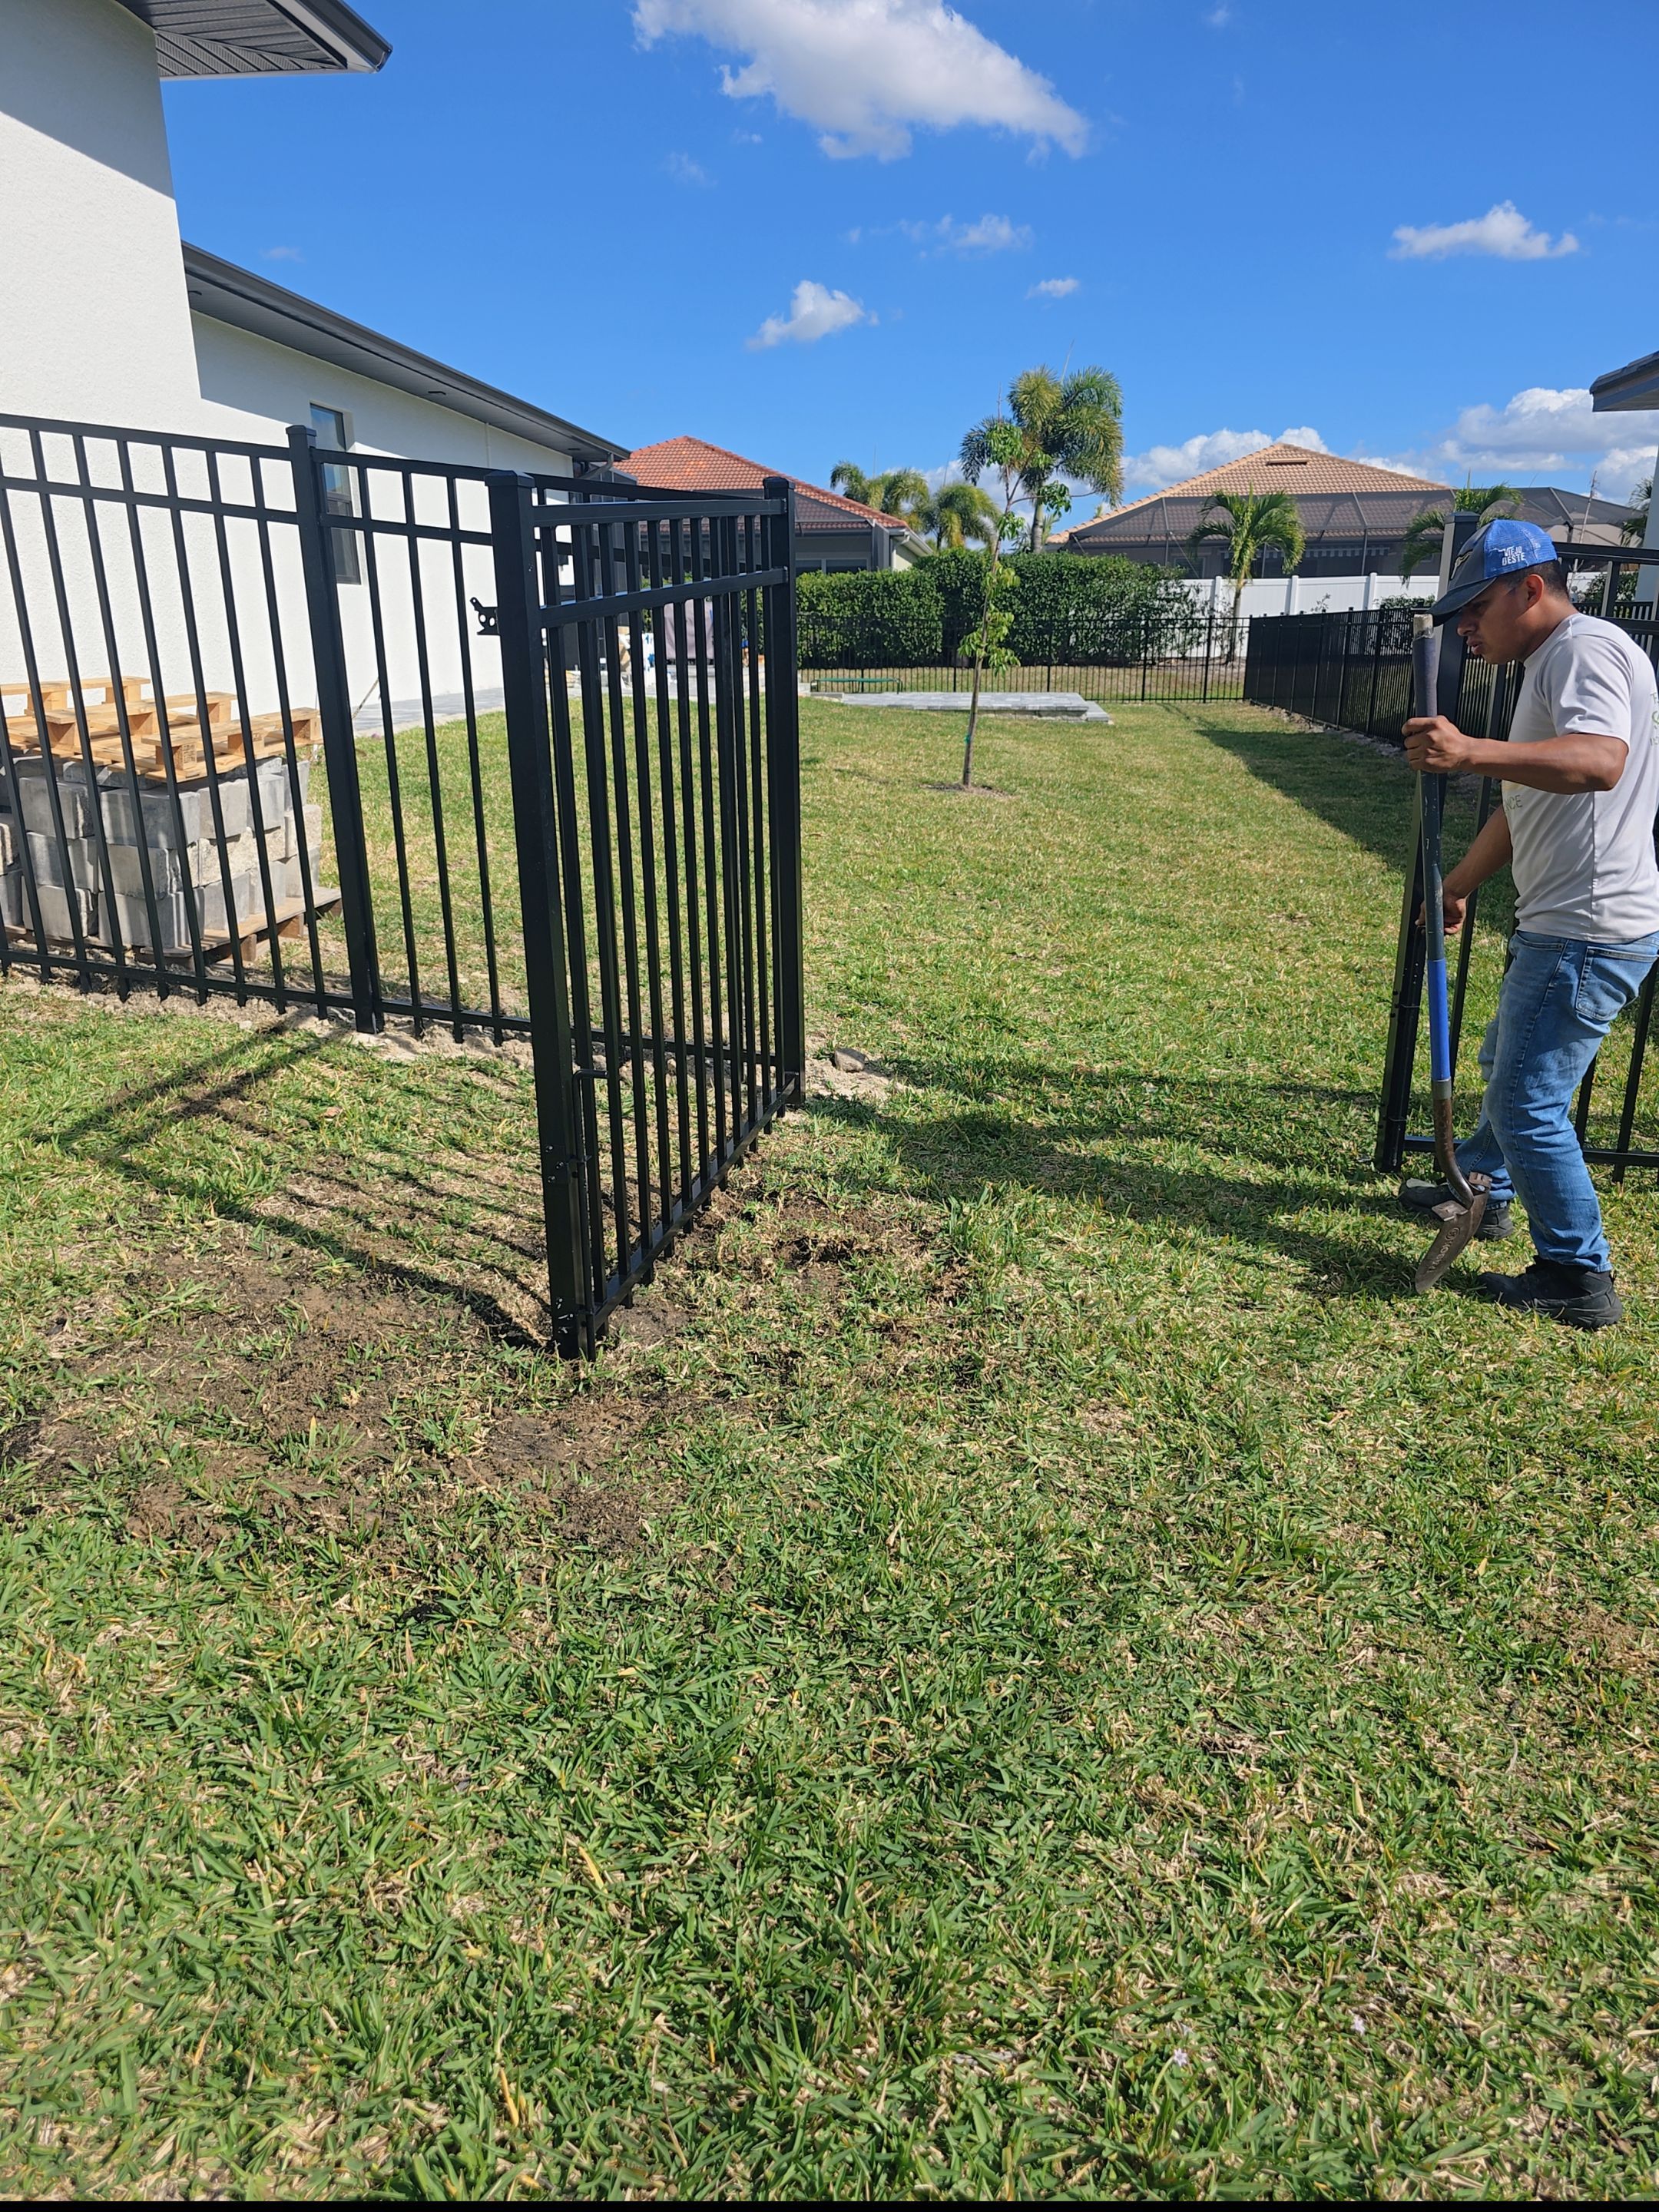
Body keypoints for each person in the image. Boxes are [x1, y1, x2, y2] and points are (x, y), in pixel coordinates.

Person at [1400, 518, 1659, 1330]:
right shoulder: (1553, 662)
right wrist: (1458, 886)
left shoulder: (1584, 650)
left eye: (1476, 609)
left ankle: (1577, 1276)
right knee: (1507, 1063)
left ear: (1532, 589)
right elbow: (1527, 803)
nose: (1465, 629)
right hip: (1566, 920)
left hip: (1587, 927)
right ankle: (1482, 1183)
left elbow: (1599, 762)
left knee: (1525, 1101)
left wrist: (1468, 752)